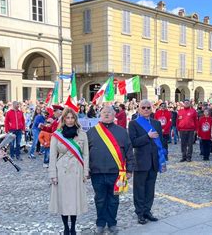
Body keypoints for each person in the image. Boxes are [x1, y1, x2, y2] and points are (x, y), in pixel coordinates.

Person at [87, 106, 134, 234]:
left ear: (114, 115)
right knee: (100, 199)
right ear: (100, 115)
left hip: (117, 173)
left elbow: (129, 152)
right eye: (104, 112)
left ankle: (112, 223)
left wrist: (129, 170)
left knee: (114, 200)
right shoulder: (91, 132)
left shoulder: (122, 131)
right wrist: (86, 170)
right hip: (97, 173)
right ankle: (100, 223)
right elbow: (85, 153)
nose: (106, 114)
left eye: (109, 112)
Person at [49, 107, 89, 235]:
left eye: (72, 118)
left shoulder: (82, 134)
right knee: (64, 201)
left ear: (75, 119)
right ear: (64, 119)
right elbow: (52, 156)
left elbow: (86, 155)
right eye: (67, 118)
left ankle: (73, 227)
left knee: (74, 200)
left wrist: (85, 172)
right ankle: (66, 227)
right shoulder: (57, 134)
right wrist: (53, 175)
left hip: (77, 169)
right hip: (62, 171)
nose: (70, 120)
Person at [128, 99, 167, 225]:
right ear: (138, 109)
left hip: (154, 161)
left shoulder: (156, 123)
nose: (146, 110)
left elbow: (161, 142)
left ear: (152, 109)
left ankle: (147, 211)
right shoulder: (133, 123)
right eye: (143, 107)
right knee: (139, 189)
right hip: (140, 162)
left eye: (148, 107)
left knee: (150, 188)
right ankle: (140, 213)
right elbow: (133, 142)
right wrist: (147, 137)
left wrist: (163, 160)